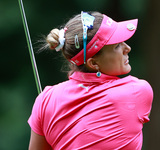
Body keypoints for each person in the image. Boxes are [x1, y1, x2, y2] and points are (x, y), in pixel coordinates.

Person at [28, 11, 153, 150]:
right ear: (93, 63)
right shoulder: (137, 91)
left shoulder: (45, 100)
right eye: (117, 46)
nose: (127, 48)